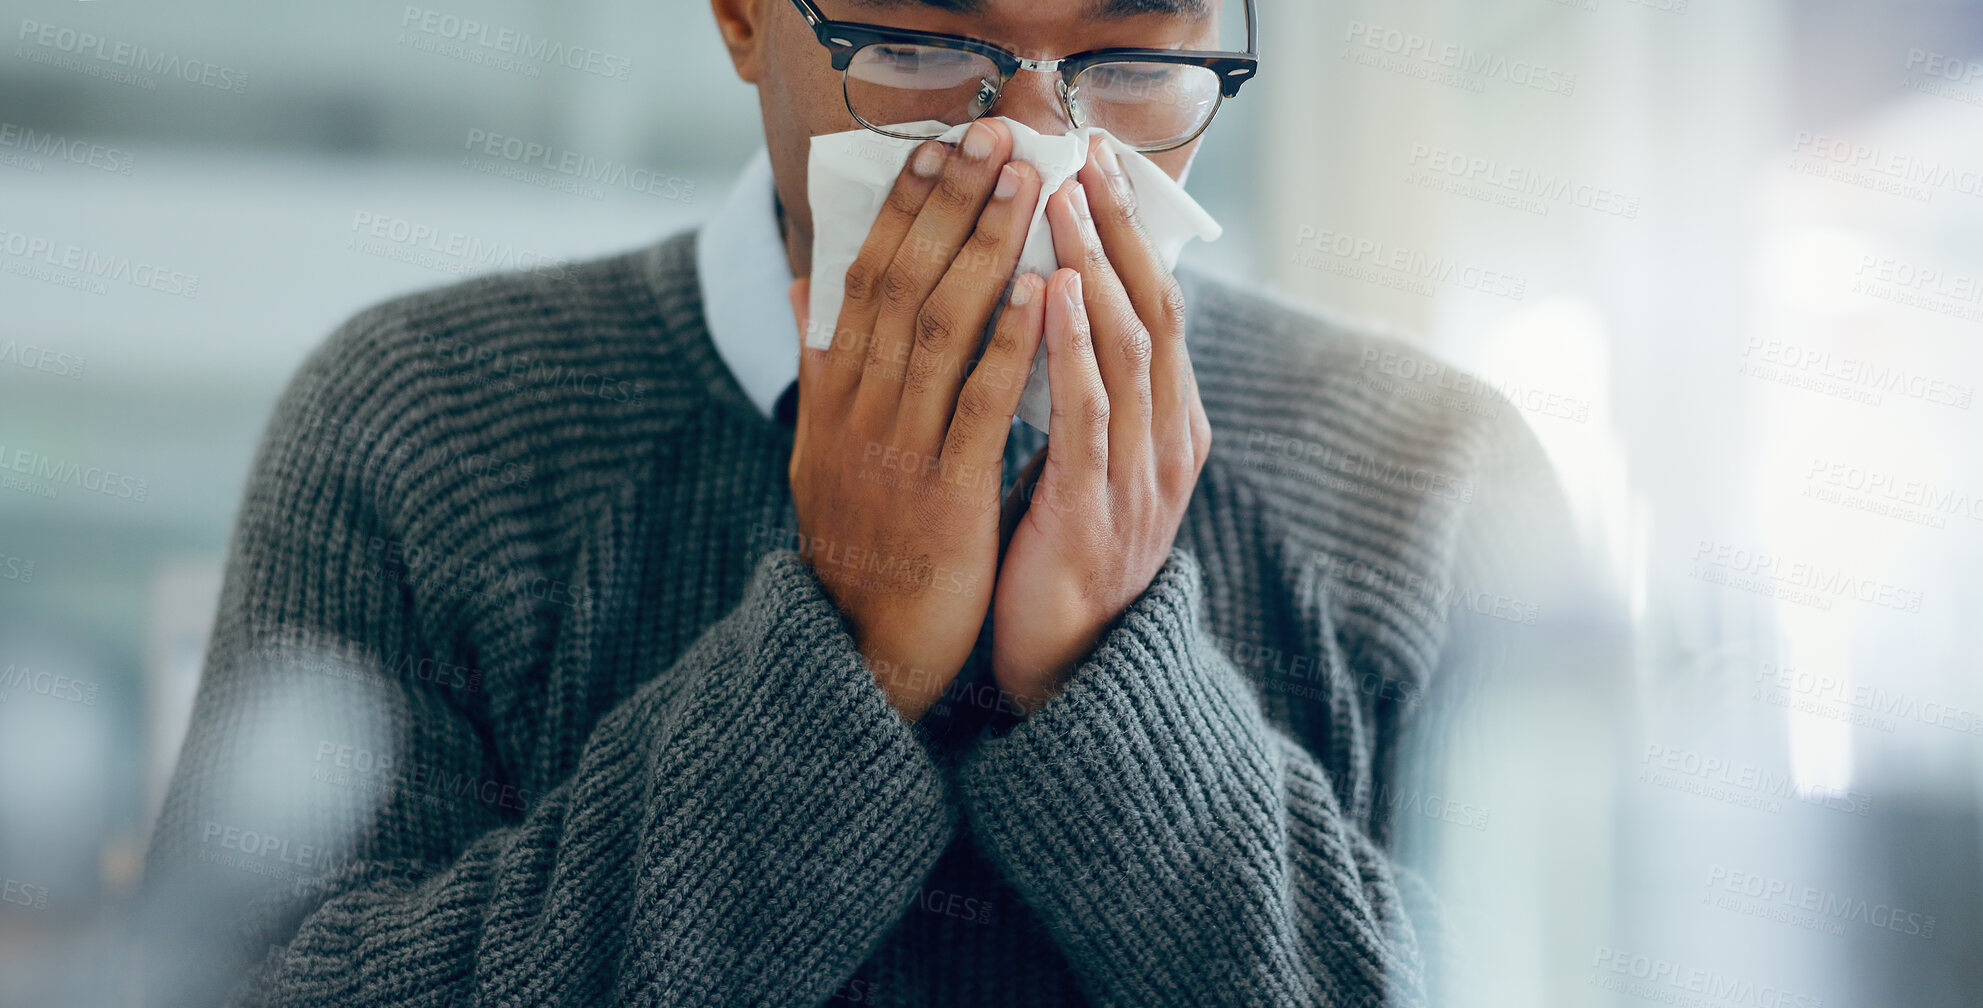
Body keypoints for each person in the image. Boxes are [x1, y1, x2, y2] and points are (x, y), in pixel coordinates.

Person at [141, 0, 1588, 1004]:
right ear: (740, 16)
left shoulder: (1427, 478)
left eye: (1133, 60)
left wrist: (1116, 689)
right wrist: (851, 646)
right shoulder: (428, 421)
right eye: (917, 40)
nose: (1028, 142)